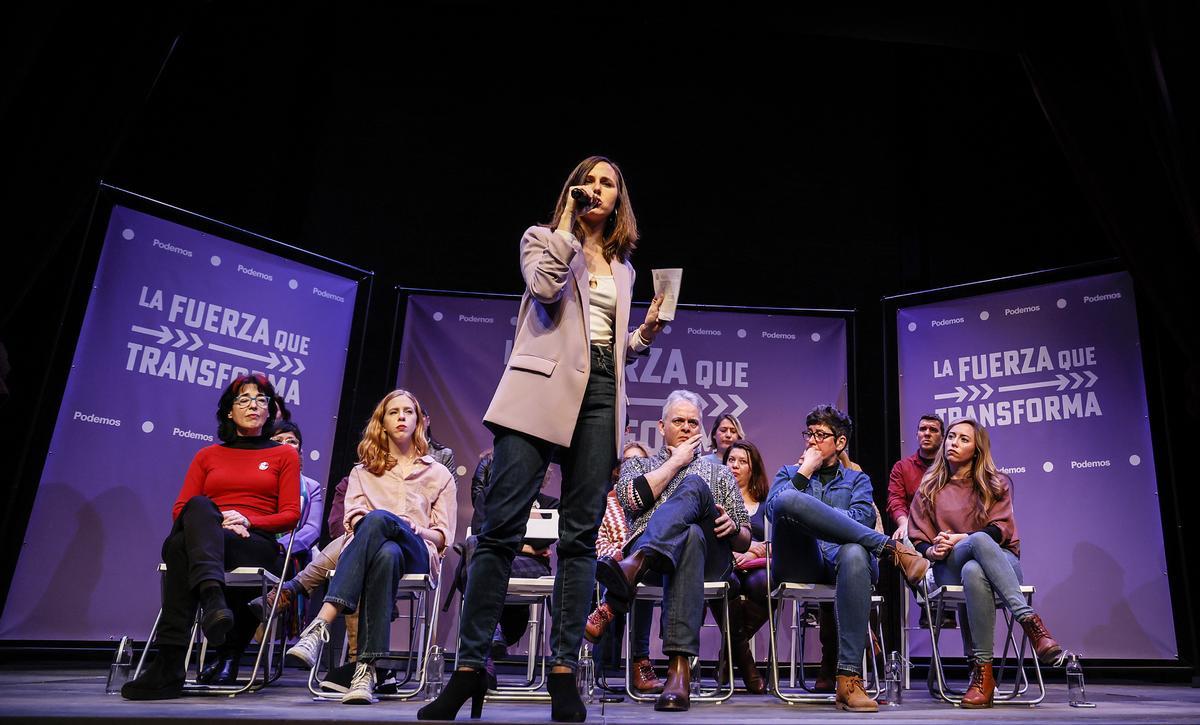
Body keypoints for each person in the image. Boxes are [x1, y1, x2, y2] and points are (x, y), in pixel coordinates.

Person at [420, 156, 664, 723]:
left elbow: (601, 346)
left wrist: (644, 333)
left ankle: (562, 671)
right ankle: (468, 668)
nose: (599, 189)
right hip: (538, 392)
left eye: (610, 183)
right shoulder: (543, 239)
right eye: (592, 181)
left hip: (602, 394)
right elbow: (546, 288)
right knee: (499, 529)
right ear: (576, 191)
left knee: (581, 539)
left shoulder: (625, 269)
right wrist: (566, 229)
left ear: (620, 200)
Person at [120, 374, 301, 700]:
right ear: (229, 413)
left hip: (254, 543)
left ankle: (170, 663)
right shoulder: (207, 455)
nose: (253, 405)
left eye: (261, 399)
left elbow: (290, 515)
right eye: (243, 399)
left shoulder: (284, 454)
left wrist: (248, 518)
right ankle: (213, 598)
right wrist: (216, 522)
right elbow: (181, 510)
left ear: (270, 411)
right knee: (198, 508)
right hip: (212, 539)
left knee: (179, 548)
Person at [286, 389, 457, 705]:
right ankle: (365, 672)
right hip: (381, 554)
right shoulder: (362, 472)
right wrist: (376, 522)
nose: (402, 417)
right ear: (383, 423)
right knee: (385, 553)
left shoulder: (439, 473)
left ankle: (321, 622)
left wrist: (419, 529)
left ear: (418, 421)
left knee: (380, 521)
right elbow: (352, 522)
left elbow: (444, 536)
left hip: (419, 553)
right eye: (394, 412)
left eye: (408, 411)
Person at [766, 405, 929, 713]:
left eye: (821, 435)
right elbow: (775, 511)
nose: (812, 441)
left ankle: (848, 679)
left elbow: (863, 518)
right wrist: (804, 474)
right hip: (803, 561)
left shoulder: (858, 481)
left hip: (845, 563)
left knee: (855, 551)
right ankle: (890, 549)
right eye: (809, 434)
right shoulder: (790, 473)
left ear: (840, 443)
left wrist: (813, 514)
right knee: (788, 499)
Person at [600, 390, 750, 712]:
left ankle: (631, 569)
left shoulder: (719, 471)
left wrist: (734, 528)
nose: (685, 427)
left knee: (696, 487)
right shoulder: (638, 464)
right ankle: (678, 672)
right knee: (692, 535)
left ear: (700, 428)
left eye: (692, 422)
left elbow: (745, 539)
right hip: (660, 565)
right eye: (678, 421)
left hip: (711, 564)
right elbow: (630, 500)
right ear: (661, 426)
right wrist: (676, 462)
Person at [909, 419, 1064, 708]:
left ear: (977, 449)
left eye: (963, 439)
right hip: (949, 565)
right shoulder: (929, 487)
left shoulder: (996, 482)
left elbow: (999, 530)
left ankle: (982, 676)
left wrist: (960, 538)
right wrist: (934, 550)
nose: (953, 443)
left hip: (1001, 562)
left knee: (975, 566)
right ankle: (1030, 623)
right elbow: (918, 540)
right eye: (951, 437)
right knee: (975, 547)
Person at [585, 441, 662, 694]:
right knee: (624, 575)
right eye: (627, 462)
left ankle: (639, 657)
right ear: (618, 470)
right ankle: (632, 661)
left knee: (643, 571)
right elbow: (598, 542)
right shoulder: (606, 504)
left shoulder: (656, 502)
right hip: (613, 567)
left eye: (639, 462)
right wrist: (617, 556)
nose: (633, 466)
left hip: (649, 568)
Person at [717, 439, 770, 693]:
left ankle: (730, 652)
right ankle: (747, 666)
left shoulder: (766, 503)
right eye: (731, 460)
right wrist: (742, 549)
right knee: (727, 585)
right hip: (727, 564)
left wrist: (753, 550)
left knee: (768, 584)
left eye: (742, 461)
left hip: (757, 566)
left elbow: (776, 542)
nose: (735, 466)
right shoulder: (717, 499)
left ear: (753, 468)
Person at [269, 420, 324, 559]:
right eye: (278, 440)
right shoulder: (256, 479)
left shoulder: (312, 487)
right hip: (256, 545)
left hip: (293, 554)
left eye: (291, 441)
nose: (285, 445)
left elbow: (312, 529)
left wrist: (280, 547)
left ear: (300, 450)